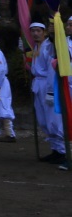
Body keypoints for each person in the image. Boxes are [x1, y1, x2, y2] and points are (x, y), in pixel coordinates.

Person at [29, 20, 66, 165]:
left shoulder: (48, 47)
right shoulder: (35, 47)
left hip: (47, 84)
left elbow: (51, 70)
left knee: (53, 120)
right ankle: (55, 149)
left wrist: (51, 91)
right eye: (33, 31)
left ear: (44, 32)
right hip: (38, 84)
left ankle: (62, 151)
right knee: (43, 119)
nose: (36, 33)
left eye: (39, 31)